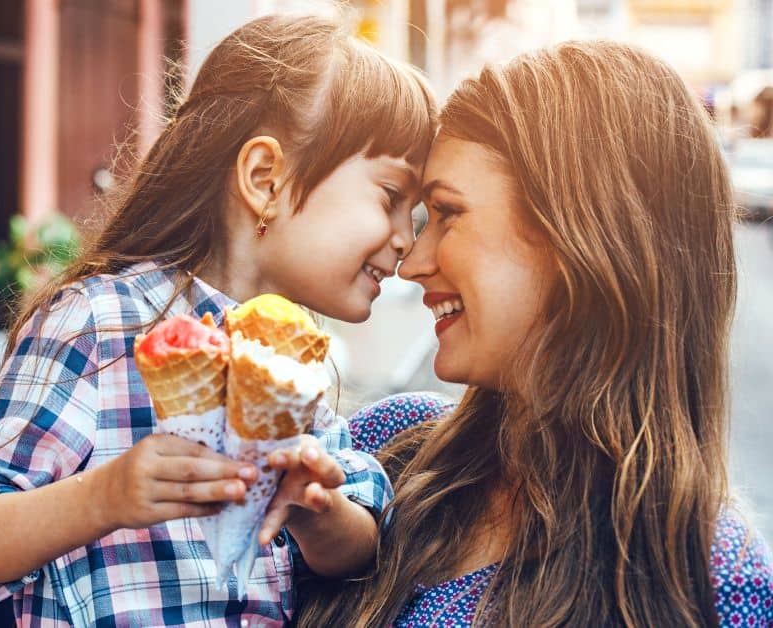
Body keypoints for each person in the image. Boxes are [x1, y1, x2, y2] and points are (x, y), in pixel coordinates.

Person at [0, 10, 438, 626]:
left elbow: (363, 541)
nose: (408, 238)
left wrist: (316, 511)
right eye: (391, 198)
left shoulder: (297, 359)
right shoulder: (102, 322)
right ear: (266, 179)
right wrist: (104, 497)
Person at [298, 40, 773, 627]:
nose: (413, 261)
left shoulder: (713, 581)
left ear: (579, 238)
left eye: (446, 213)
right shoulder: (383, 453)